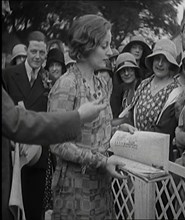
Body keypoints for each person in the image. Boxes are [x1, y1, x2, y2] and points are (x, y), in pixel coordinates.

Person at [47, 14, 136, 219]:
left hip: (101, 186)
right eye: (104, 45)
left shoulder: (102, 83)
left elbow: (91, 132)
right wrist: (102, 161)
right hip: (75, 189)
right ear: (87, 46)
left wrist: (114, 129)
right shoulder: (67, 85)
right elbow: (57, 143)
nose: (110, 51)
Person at [2, 86, 108, 220]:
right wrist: (78, 116)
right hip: (73, 189)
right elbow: (16, 122)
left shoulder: (100, 85)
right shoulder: (66, 84)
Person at [2, 30, 54, 220]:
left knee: (33, 212)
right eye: (34, 52)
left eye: (42, 53)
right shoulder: (8, 75)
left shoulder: (50, 82)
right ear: (27, 50)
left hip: (37, 159)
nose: (37, 57)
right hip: (12, 156)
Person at [121, 38, 184, 161]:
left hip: (157, 156)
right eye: (157, 59)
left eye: (165, 60)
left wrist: (136, 139)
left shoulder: (176, 91)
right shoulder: (144, 84)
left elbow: (165, 129)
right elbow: (130, 114)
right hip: (134, 151)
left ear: (171, 64)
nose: (159, 64)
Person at [112, 52, 141, 118]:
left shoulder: (143, 89)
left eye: (130, 69)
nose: (126, 73)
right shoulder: (124, 92)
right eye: (122, 71)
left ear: (135, 71)